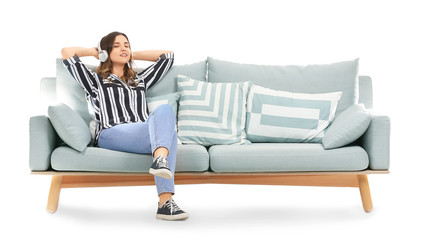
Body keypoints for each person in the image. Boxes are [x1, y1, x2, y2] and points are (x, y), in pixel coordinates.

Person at [61, 31, 188, 221]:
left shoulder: (139, 80)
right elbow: (67, 52)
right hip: (111, 134)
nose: (124, 48)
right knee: (166, 135)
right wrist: (94, 52)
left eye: (126, 45)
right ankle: (165, 201)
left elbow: (167, 57)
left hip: (143, 133)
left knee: (165, 111)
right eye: (117, 45)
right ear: (107, 51)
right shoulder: (94, 80)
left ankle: (160, 160)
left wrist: (132, 55)